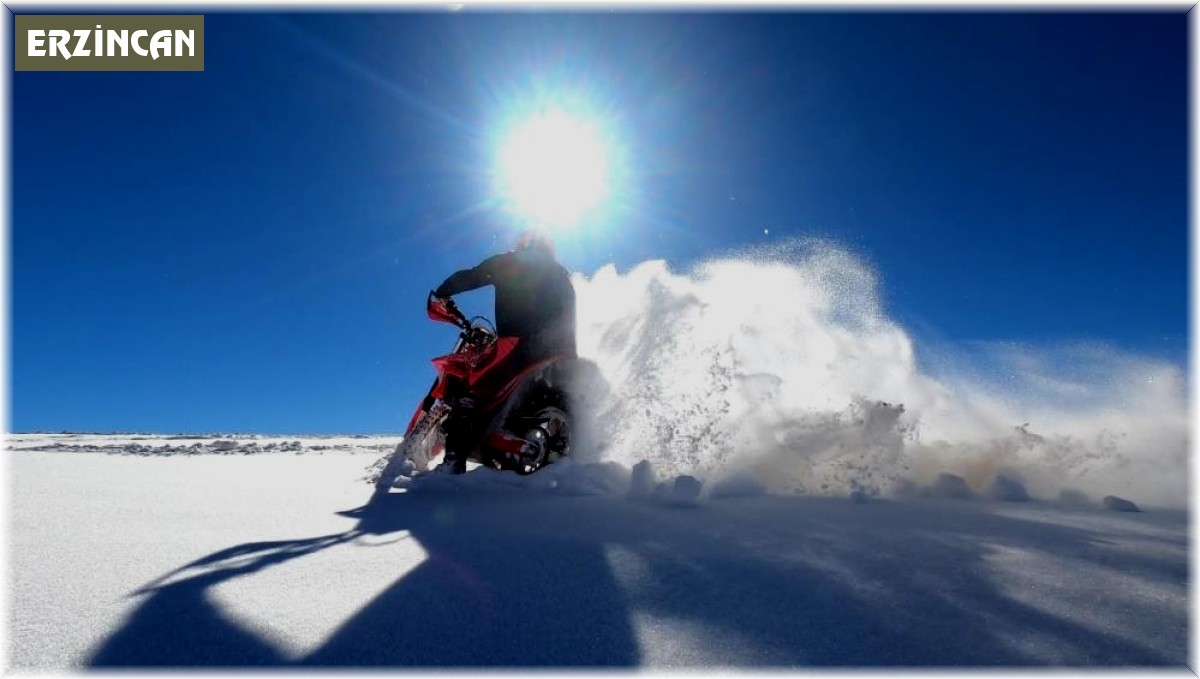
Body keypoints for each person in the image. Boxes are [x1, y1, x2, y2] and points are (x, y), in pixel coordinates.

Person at [431, 228, 577, 473]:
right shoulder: (563, 277)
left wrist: (443, 292)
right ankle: (503, 437)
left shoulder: (511, 262)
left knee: (471, 389)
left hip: (521, 341)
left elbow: (472, 276)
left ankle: (452, 464)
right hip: (561, 353)